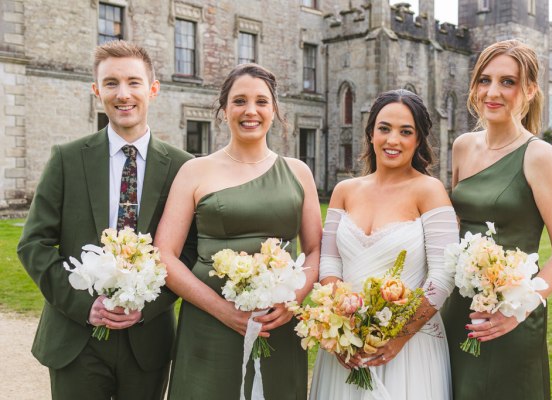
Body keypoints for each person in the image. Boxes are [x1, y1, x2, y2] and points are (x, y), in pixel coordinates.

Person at [16, 40, 197, 400]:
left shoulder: (182, 167)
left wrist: (147, 306)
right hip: (75, 339)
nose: (123, 94)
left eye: (133, 82)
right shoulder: (67, 159)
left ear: (153, 89)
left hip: (146, 343)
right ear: (96, 91)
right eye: (111, 83)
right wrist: (85, 306)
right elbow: (33, 244)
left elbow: (189, 251)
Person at [155, 63, 322, 399]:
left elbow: (316, 249)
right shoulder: (194, 171)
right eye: (239, 101)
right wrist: (223, 311)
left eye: (261, 102)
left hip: (276, 325)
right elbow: (164, 256)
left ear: (274, 110)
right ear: (224, 109)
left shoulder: (298, 172)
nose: (250, 111)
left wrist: (294, 299)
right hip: (209, 323)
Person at [441, 39, 552, 400]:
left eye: (508, 82)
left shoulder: (539, 156)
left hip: (511, 316)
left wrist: (519, 309)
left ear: (530, 90)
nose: (492, 91)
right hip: (458, 311)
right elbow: (458, 227)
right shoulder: (462, 147)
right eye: (484, 80)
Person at [310, 89, 458, 400]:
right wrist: (342, 330)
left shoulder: (429, 190)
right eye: (384, 128)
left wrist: (398, 337)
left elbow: (443, 275)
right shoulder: (344, 190)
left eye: (406, 132)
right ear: (371, 133)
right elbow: (329, 264)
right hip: (347, 346)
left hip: (410, 347)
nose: (393, 140)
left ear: (418, 140)